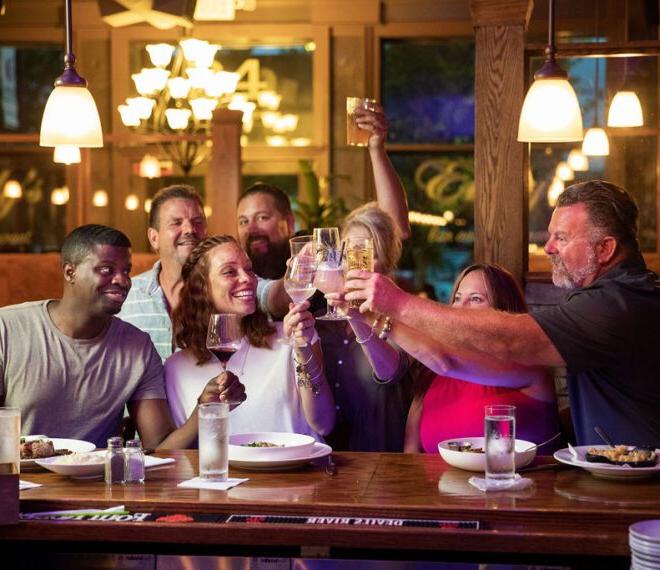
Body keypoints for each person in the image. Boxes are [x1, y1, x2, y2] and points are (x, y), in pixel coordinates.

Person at [345, 180, 660, 446]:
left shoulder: (617, 304)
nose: (548, 247)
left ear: (605, 249)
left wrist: (395, 303)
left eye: (561, 237)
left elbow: (508, 341)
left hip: (642, 490)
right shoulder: (620, 296)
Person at [0, 225, 245, 448]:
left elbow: (160, 447)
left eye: (126, 270)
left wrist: (206, 408)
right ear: (70, 272)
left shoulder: (137, 347)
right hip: (19, 485)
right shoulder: (7, 328)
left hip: (97, 489)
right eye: (106, 270)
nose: (122, 280)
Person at [236, 104, 411, 317]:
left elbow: (392, 227)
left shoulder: (313, 248)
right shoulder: (238, 270)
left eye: (262, 217)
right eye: (243, 221)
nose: (252, 228)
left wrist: (376, 149)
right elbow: (271, 300)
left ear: (289, 223)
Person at [164, 235, 335, 439]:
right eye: (229, 272)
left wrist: (302, 348)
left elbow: (324, 424)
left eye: (249, 269)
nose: (247, 279)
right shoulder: (176, 368)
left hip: (297, 469)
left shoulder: (290, 337)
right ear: (202, 289)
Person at [401, 264, 560, 453]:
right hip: (438, 483)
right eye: (457, 299)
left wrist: (381, 316)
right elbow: (410, 453)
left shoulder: (529, 365)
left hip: (521, 482)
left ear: (503, 312)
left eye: (476, 299)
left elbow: (446, 362)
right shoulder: (432, 374)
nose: (460, 308)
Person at [119, 184, 275, 360]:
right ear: (154, 238)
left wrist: (298, 278)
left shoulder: (233, 284)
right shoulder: (126, 295)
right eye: (176, 223)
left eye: (198, 222)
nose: (189, 229)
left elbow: (272, 293)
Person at [320, 203, 412, 452]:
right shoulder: (324, 318)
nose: (358, 262)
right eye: (350, 250)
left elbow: (389, 371)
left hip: (377, 456)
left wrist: (356, 316)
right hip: (327, 454)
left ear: (388, 261)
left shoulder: (402, 315)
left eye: (370, 252)